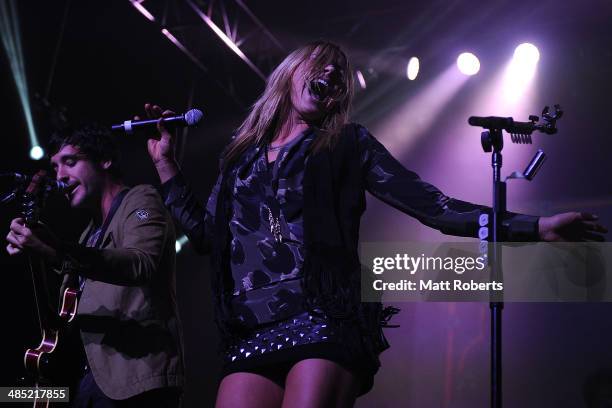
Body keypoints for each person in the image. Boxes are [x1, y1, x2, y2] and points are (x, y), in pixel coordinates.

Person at [143, 41, 606, 408]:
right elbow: (205, 236)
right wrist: (165, 166)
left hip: (320, 318)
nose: (329, 75)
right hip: (249, 329)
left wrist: (534, 227)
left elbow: (434, 206)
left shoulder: (346, 144)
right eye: (321, 65)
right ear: (289, 73)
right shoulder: (240, 159)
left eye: (339, 75)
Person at [6, 125, 184, 407]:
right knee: (8, 397)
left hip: (135, 380)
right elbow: (64, 319)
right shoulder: (88, 235)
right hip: (86, 383)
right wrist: (40, 250)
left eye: (70, 162)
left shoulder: (141, 198)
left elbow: (141, 263)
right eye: (54, 168)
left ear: (105, 160)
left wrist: (57, 253)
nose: (60, 177)